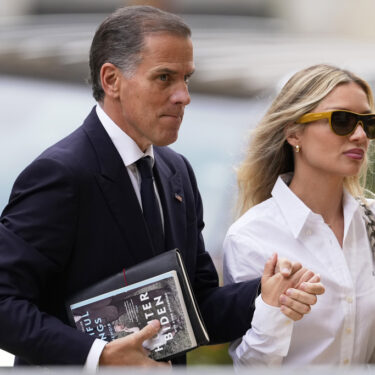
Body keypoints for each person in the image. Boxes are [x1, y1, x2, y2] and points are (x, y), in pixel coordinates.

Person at [0, 6, 323, 368]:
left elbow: (194, 307)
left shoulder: (176, 171)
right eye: (165, 78)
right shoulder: (61, 174)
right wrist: (100, 357)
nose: (183, 95)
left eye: (186, 78)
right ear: (111, 80)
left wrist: (263, 297)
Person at [223, 63, 375, 366]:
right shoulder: (252, 237)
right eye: (342, 120)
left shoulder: (370, 222)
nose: (359, 135)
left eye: (368, 123)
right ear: (294, 133)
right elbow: (251, 369)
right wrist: (274, 311)